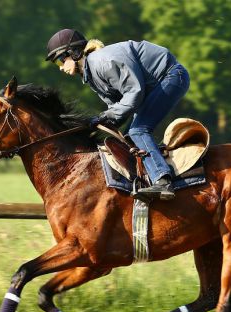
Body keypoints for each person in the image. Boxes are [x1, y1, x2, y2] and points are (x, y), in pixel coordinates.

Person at [45, 29, 190, 200]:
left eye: (61, 60)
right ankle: (147, 178)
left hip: (171, 76)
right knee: (129, 135)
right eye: (57, 64)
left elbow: (134, 93)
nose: (61, 67)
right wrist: (96, 124)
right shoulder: (91, 74)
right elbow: (117, 108)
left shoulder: (102, 62)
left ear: (74, 53)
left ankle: (163, 181)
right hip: (154, 85)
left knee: (138, 131)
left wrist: (105, 117)